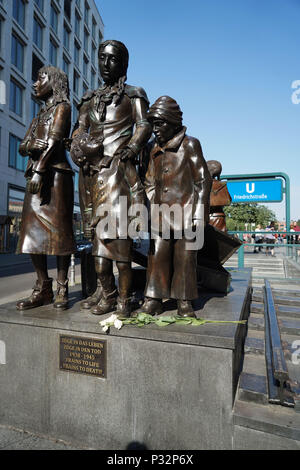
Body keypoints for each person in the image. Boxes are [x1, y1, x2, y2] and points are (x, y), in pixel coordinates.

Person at [70, 40, 152, 317]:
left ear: (123, 64)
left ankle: (124, 300)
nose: (106, 64)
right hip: (92, 177)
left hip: (119, 177)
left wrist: (131, 148)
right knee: (97, 253)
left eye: (112, 59)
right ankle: (108, 294)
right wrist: (78, 150)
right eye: (102, 58)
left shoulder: (133, 94)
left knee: (120, 251)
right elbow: (78, 131)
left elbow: (144, 125)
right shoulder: (88, 100)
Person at [135, 96, 212, 317]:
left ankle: (184, 300)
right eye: (153, 124)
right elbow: (148, 179)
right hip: (160, 214)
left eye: (160, 124)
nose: (155, 130)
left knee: (185, 257)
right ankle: (154, 298)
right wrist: (152, 200)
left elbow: (202, 180)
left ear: (173, 122)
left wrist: (198, 215)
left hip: (186, 213)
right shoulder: (152, 148)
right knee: (157, 255)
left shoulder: (190, 144)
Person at [16, 66, 76, 310]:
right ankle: (43, 287)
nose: (35, 83)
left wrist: (40, 170)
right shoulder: (38, 116)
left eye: (40, 78)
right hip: (36, 176)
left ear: (55, 82)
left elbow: (54, 141)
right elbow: (22, 146)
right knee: (31, 233)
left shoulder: (63, 107)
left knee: (60, 232)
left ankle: (62, 286)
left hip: (55, 176)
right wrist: (31, 145)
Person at [206, 160, 231, 232]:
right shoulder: (223, 185)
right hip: (220, 217)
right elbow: (229, 199)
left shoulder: (203, 185)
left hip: (206, 217)